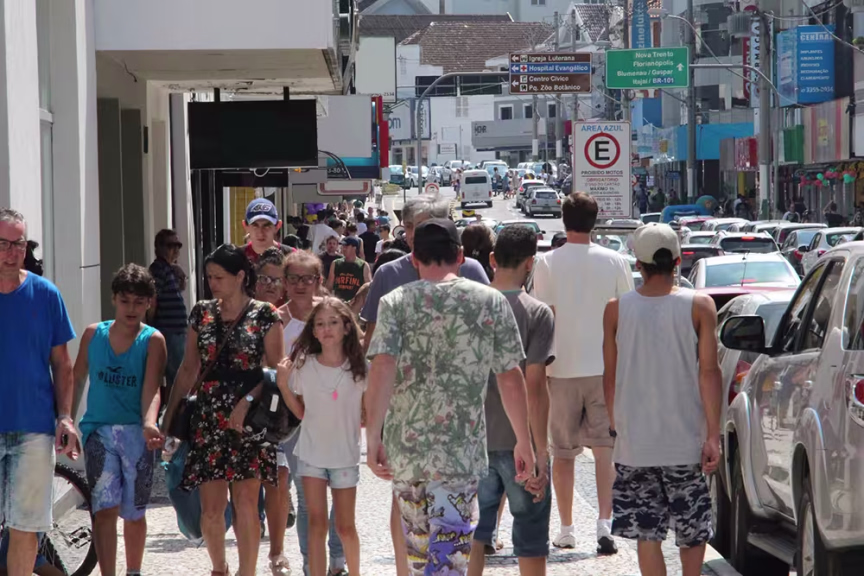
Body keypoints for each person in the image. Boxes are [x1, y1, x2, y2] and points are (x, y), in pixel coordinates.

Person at [365, 218, 536, 576]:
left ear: (414, 258)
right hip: (460, 450)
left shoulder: (394, 303)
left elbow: (382, 368)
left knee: (418, 554)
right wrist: (523, 440)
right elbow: (509, 376)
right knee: (450, 554)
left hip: (407, 449)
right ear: (460, 256)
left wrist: (373, 437)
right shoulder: (489, 301)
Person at [602, 223, 721, 576]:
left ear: (638, 264)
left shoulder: (616, 309)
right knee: (692, 529)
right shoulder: (700, 306)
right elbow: (709, 372)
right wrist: (713, 434)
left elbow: (610, 375)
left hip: (635, 443)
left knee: (647, 533)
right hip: (685, 441)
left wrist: (616, 426)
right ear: (678, 261)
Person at [162, 244, 284, 576]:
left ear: (241, 276)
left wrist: (248, 401)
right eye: (209, 277)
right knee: (212, 508)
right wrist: (169, 421)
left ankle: (247, 572)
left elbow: (276, 372)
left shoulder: (265, 315)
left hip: (249, 418)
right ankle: (219, 569)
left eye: (219, 277)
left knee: (246, 503)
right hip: (208, 417)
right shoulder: (201, 313)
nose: (212, 283)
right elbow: (188, 369)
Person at [532, 192, 633, 554]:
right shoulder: (615, 261)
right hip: (606, 368)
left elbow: (544, 315)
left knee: (563, 452)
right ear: (596, 220)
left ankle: (567, 528)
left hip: (561, 368)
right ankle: (605, 524)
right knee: (605, 450)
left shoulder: (546, 263)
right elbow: (626, 313)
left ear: (563, 219)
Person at [468, 226, 554, 576]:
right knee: (530, 537)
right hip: (521, 443)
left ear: (492, 259)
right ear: (530, 263)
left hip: (474, 440)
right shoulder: (538, 313)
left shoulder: (469, 308)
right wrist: (540, 450)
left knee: (473, 535)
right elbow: (536, 385)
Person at [72, 264, 166, 576]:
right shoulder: (93, 334)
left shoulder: (153, 340)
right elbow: (77, 378)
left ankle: (133, 571)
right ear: (114, 299)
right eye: (125, 301)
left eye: (139, 302)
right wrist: (66, 420)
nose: (132, 308)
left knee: (134, 511)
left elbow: (152, 389)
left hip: (137, 435)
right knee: (104, 509)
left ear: (149, 303)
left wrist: (150, 422)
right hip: (99, 432)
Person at [0, 208, 78, 575]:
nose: (11, 253)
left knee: (26, 528)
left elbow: (62, 363)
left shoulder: (46, 295)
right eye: (3, 244)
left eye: (18, 244)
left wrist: (65, 416)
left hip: (34, 429)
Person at [276, 298, 366, 576]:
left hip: (345, 456)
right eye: (320, 324)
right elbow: (301, 412)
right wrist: (283, 385)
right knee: (316, 524)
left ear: (347, 327)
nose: (327, 329)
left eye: (333, 322)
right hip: (311, 454)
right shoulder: (304, 366)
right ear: (313, 331)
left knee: (345, 526)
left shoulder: (361, 368)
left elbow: (368, 413)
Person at [278, 251, 348, 576]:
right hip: (294, 418)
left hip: (335, 415)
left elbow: (354, 356)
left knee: (340, 490)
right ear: (285, 281)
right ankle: (311, 564)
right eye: (293, 278)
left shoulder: (333, 314)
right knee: (307, 498)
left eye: (308, 278)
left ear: (319, 280)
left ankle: (337, 559)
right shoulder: (276, 319)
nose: (300, 285)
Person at [249, 248, 295, 575]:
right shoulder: (244, 314)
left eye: (276, 280)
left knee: (278, 476)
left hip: (277, 409)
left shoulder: (290, 316)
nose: (269, 284)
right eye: (263, 278)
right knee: (249, 483)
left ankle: (277, 552)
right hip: (243, 406)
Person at [148, 230, 188, 409]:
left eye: (178, 245)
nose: (176, 250)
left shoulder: (168, 269)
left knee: (177, 375)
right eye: (171, 245)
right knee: (176, 376)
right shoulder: (158, 268)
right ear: (159, 248)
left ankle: (173, 411)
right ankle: (173, 413)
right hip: (168, 331)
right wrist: (150, 325)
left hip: (177, 331)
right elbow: (153, 299)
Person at [244, 199, 291, 264]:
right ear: (245, 226)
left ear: (277, 226)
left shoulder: (292, 258)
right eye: (255, 226)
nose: (260, 233)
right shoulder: (236, 258)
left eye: (266, 226)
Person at [327, 237, 371, 303]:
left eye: (346, 246)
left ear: (354, 248)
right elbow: (329, 285)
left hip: (355, 304)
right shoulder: (336, 263)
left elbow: (368, 286)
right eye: (343, 246)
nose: (343, 249)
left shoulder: (363, 265)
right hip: (339, 303)